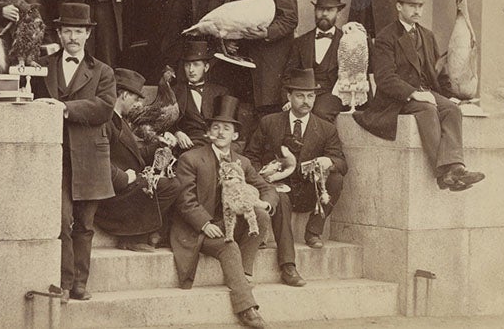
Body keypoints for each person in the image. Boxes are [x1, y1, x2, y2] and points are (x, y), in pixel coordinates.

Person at [354, 0, 485, 191]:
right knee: (427, 109)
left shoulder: (427, 35)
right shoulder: (386, 37)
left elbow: (439, 74)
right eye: (412, 6)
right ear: (399, 6)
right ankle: (443, 173)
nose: (417, 11)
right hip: (397, 99)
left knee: (452, 110)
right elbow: (385, 78)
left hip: (426, 92)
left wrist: (451, 96)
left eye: (420, 6)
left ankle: (457, 167)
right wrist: (413, 93)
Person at [31, 3, 116, 303]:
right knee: (61, 219)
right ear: (59, 33)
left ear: (88, 34)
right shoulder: (43, 64)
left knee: (84, 223)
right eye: (67, 30)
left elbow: (104, 107)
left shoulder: (103, 71)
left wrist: (65, 107)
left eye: (79, 31)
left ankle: (81, 282)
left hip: (89, 156)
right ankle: (66, 283)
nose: (73, 37)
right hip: (55, 156)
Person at [171, 95, 277, 329]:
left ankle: (245, 273)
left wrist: (265, 203)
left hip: (229, 220)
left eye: (226, 129)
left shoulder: (242, 162)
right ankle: (247, 309)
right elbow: (184, 200)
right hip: (197, 228)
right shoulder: (191, 159)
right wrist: (205, 223)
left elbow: (266, 188)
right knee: (228, 244)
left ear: (235, 135)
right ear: (208, 133)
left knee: (260, 215)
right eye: (215, 128)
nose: (220, 133)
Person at [246, 69, 347, 253]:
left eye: (310, 96)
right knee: (280, 196)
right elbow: (251, 156)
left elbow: (342, 163)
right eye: (300, 96)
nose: (306, 101)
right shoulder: (269, 122)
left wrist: (328, 162)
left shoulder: (326, 128)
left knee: (336, 179)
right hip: (278, 189)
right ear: (289, 96)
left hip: (308, 191)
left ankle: (313, 232)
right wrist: (264, 176)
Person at [94, 68, 180, 252]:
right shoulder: (105, 120)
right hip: (112, 194)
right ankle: (132, 236)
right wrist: (124, 178)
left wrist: (160, 145)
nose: (138, 104)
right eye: (136, 98)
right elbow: (97, 162)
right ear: (123, 95)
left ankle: (139, 235)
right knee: (170, 187)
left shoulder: (120, 120)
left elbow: (136, 155)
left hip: (126, 186)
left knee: (172, 183)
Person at [284, 0, 350, 123]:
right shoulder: (300, 42)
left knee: (319, 111)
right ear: (315, 11)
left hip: (334, 94)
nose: (324, 14)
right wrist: (288, 98)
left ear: (338, 13)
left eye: (330, 10)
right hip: (305, 94)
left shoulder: (348, 41)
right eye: (320, 9)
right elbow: (288, 75)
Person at [171, 40, 229, 152]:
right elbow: (165, 122)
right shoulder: (175, 92)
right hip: (190, 144)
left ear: (206, 67)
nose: (191, 70)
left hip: (216, 142)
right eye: (187, 65)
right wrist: (177, 133)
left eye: (196, 65)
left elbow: (227, 123)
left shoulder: (220, 92)